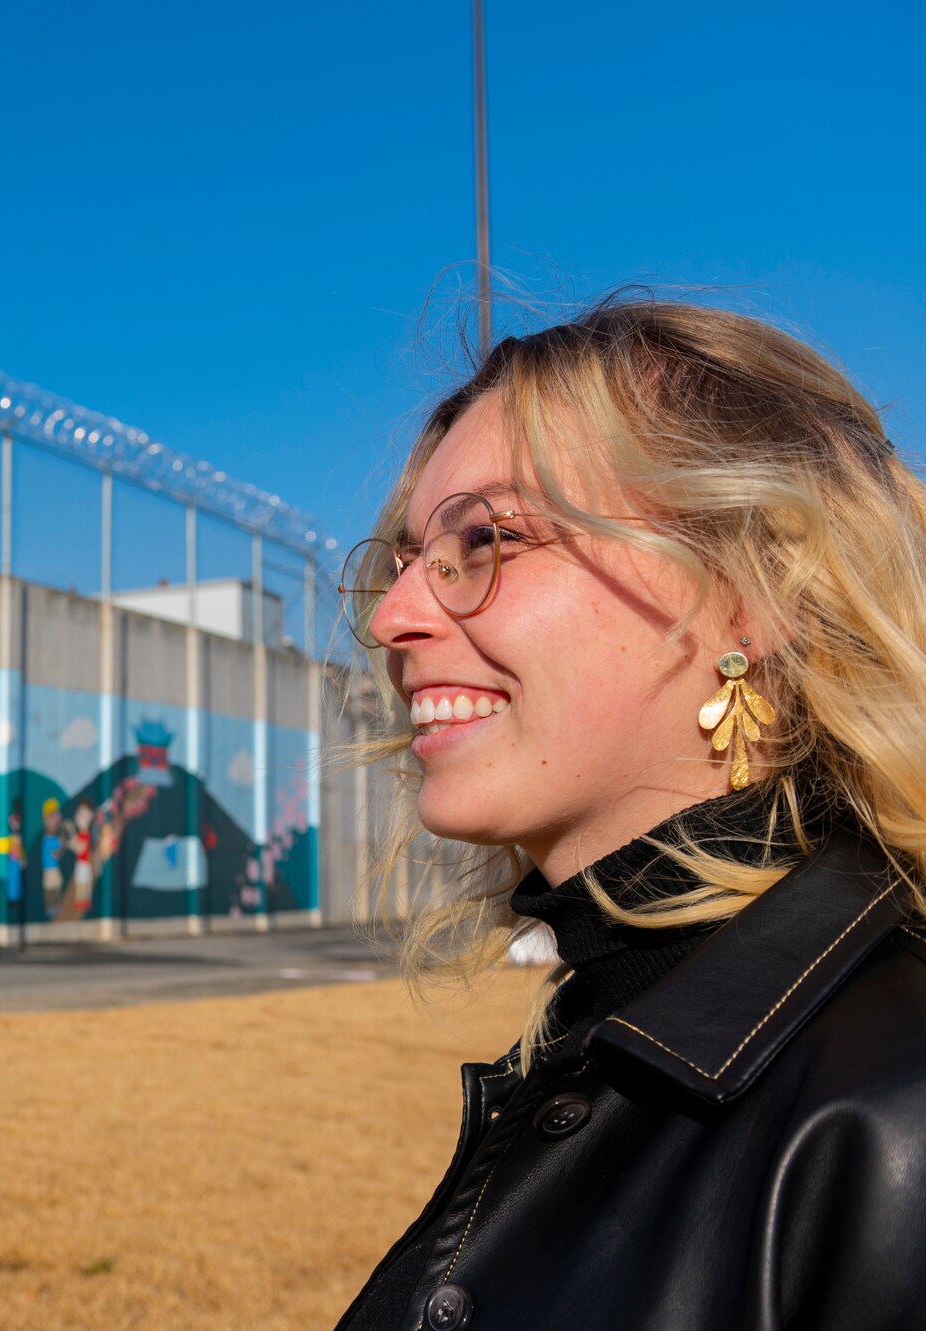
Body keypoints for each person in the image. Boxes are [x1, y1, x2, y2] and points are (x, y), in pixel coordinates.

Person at [332, 297, 926, 1331]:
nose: (392, 618)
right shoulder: (616, 1026)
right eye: (402, 559)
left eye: (483, 539)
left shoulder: (890, 1114)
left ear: (751, 588)